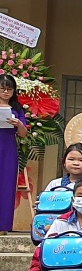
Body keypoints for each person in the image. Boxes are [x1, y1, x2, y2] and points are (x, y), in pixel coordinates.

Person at [0, 74, 29, 233]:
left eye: (9, 89)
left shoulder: (17, 108)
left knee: (6, 184)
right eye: (2, 88)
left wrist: (18, 124)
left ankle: (3, 225)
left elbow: (23, 134)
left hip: (8, 149)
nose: (6, 92)